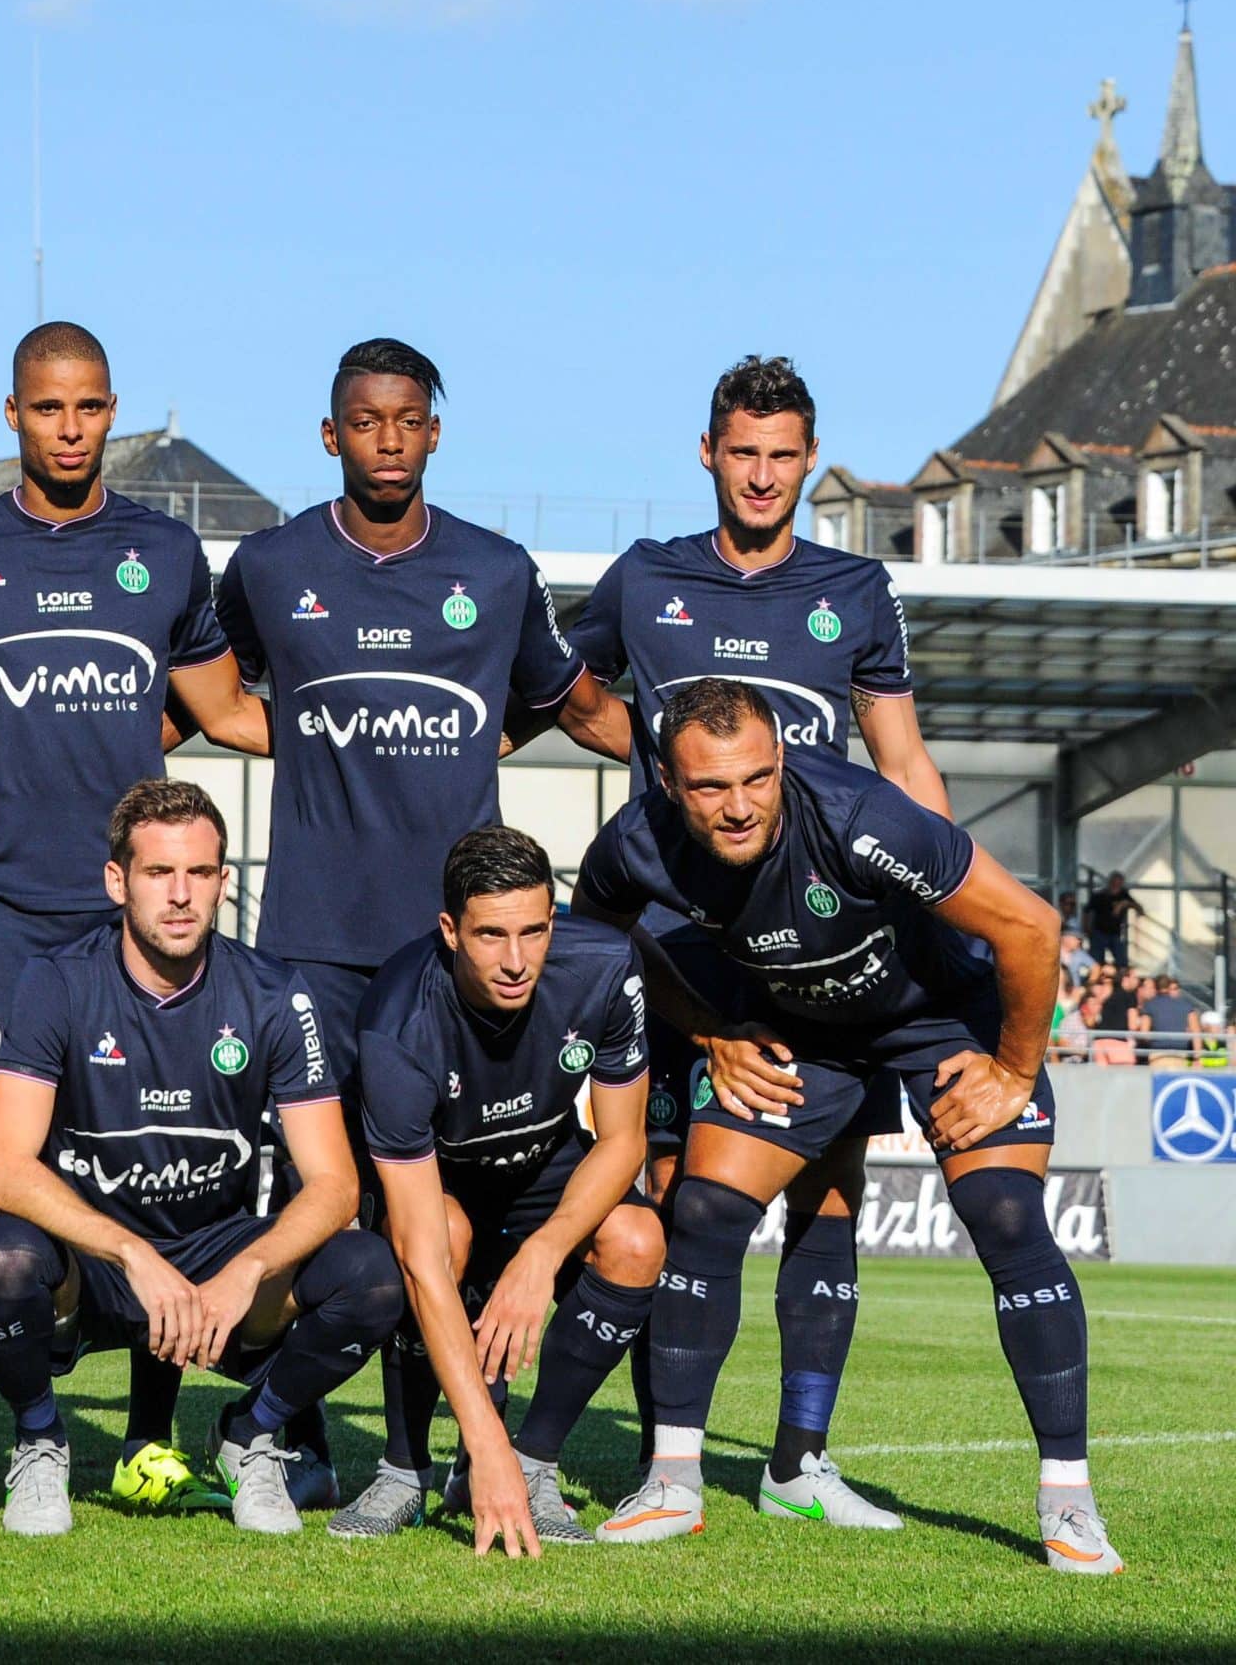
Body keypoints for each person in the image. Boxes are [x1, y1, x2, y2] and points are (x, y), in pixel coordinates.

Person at [0, 322, 272, 1512]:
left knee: (158, 1154)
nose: (70, 428)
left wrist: (377, 748)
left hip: (124, 919)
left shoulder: (164, 550)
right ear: (12, 414)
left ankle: (149, 1436)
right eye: (48, 407)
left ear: (110, 410)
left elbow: (220, 713)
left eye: (89, 407)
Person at [570, 678, 1119, 1573]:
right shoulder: (636, 842)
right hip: (805, 1029)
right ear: (667, 782)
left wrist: (1014, 1071)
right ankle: (673, 1481)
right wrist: (709, 1029)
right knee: (704, 1210)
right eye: (711, 786)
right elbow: (595, 941)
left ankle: (1069, 1501)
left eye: (757, 778)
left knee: (1006, 1214)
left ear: (782, 760)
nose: (739, 805)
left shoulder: (864, 818)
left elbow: (1030, 926)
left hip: (942, 1015)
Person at [214, 336, 628, 1494]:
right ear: (330, 433)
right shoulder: (270, 564)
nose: (387, 439)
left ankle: (430, 1447)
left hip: (454, 953)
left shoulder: (494, 571)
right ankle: (287, 1433)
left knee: (446, 1207)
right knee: (319, 1204)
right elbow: (208, 695)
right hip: (314, 944)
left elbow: (568, 701)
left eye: (407, 419)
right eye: (365, 420)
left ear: (434, 432)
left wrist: (689, 765)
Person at [554, 355, 949, 1522]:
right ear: (707, 454)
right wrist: (651, 756)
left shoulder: (854, 588)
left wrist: (940, 901)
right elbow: (570, 691)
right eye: (742, 452)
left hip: (823, 944)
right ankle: (666, 1460)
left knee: (830, 1197)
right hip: (682, 949)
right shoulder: (646, 577)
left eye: (782, 455)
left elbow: (901, 757)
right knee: (680, 1192)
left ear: (810, 460)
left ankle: (797, 1464)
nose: (762, 474)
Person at [0, 780, 428, 1542]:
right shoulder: (57, 980)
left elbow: (336, 1183)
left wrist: (247, 1269)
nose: (180, 894)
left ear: (223, 881)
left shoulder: (273, 993)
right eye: (158, 872)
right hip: (96, 1258)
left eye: (199, 872)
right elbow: (2, 1166)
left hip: (217, 1257)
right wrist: (131, 1252)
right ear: (117, 881)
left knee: (371, 1274)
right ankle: (41, 1440)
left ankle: (252, 1432)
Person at [336, 826, 660, 1545]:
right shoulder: (397, 1022)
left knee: (637, 1240)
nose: (516, 960)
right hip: (444, 1180)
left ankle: (534, 1462)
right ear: (451, 930)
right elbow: (421, 1254)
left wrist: (541, 1254)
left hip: (544, 1163)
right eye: (490, 935)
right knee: (445, 1240)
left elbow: (624, 1141)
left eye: (534, 931)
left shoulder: (607, 966)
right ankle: (404, 1469)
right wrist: (483, 1441)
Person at [1136, 974, 1199, 1066]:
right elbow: (1196, 1031)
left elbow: (1144, 1033)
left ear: (1155, 987)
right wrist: (1197, 1057)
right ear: (1169, 986)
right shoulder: (1185, 1006)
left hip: (1158, 1055)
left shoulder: (1149, 1005)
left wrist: (1157, 1040)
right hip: (1180, 1054)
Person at [1084, 872, 1141, 968]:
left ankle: (1119, 975)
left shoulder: (1124, 895)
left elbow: (1140, 909)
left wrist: (1125, 903)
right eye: (1114, 883)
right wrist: (1086, 928)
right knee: (1096, 962)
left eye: (1119, 884)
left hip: (1115, 933)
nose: (1116, 886)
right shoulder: (1099, 895)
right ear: (1110, 883)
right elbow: (1087, 912)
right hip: (1099, 932)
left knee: (1122, 961)